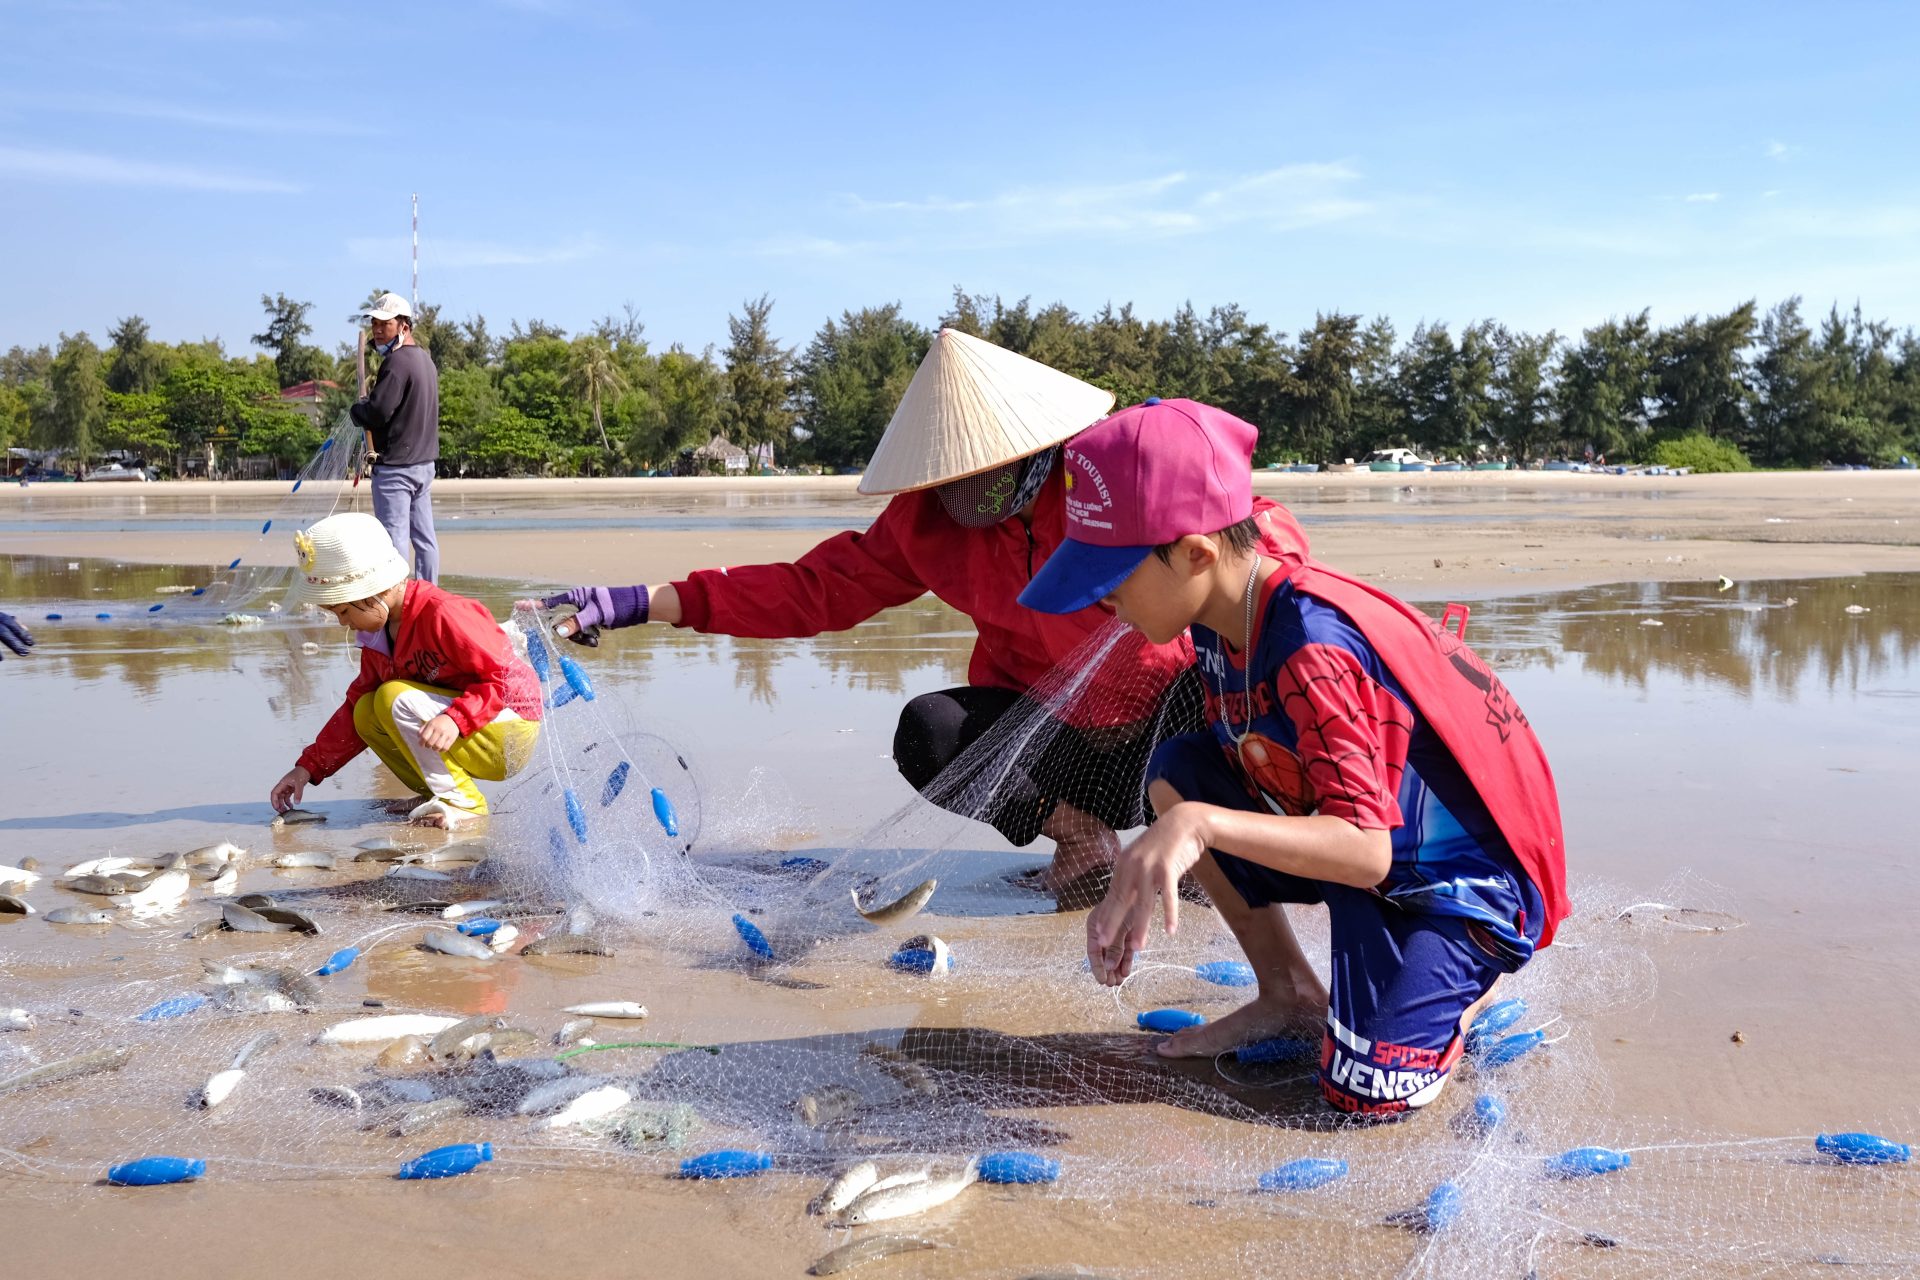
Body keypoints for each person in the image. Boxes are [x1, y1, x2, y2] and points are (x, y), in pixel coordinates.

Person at [1020, 398, 1570, 1116]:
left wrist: (1199, 826)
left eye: (1111, 581)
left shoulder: (1311, 646)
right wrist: (1186, 816)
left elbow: (1366, 851)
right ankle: (1287, 992)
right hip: (1366, 844)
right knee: (1177, 774)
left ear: (1196, 554)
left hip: (1453, 881)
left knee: (1367, 1092)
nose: (1104, 605)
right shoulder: (1220, 611)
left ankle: (1473, 979)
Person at [533, 329, 1199, 908]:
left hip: (1171, 736)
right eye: (951, 476)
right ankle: (1080, 837)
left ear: (1037, 448)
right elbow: (815, 589)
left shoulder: (1112, 484)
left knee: (1217, 698)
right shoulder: (929, 522)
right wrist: (643, 601)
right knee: (930, 731)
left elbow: (1234, 553)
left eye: (986, 469)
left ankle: (1207, 841)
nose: (966, 492)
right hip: (1052, 744)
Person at [269, 512, 540, 829]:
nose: (343, 622)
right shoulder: (378, 636)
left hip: (508, 728)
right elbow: (354, 709)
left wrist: (457, 718)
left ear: (374, 592)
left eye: (343, 610)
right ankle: (435, 792)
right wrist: (307, 767)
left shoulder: (443, 613)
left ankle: (462, 801)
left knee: (392, 696)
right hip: (467, 723)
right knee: (366, 710)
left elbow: (501, 679)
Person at [352, 292, 441, 583]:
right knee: (425, 539)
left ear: (404, 325)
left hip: (397, 469)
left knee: (394, 538)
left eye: (385, 324)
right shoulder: (425, 360)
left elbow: (378, 412)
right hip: (424, 465)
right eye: (374, 324)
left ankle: (399, 599)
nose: (377, 330)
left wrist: (358, 410)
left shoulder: (397, 362)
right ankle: (428, 593)